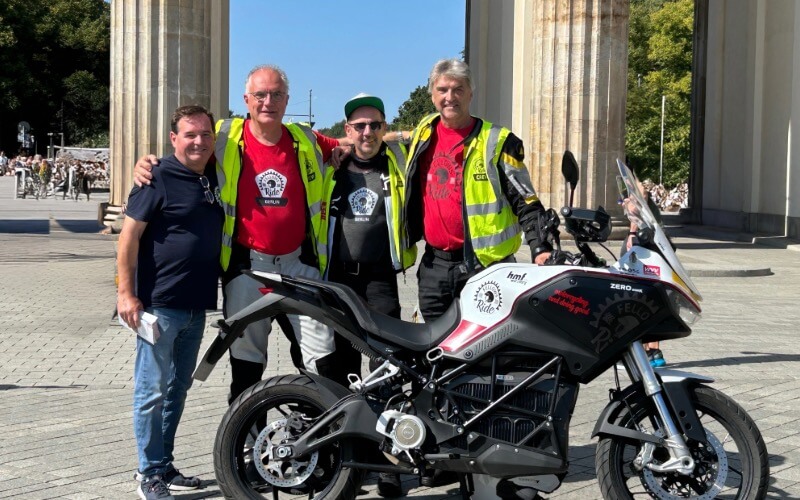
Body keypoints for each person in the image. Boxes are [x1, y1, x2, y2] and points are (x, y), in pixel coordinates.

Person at [134, 64, 346, 403]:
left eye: (276, 94)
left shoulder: (304, 137)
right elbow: (188, 148)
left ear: (287, 99)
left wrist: (370, 143)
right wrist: (147, 163)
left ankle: (325, 436)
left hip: (298, 265)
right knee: (247, 362)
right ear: (246, 99)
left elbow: (351, 144)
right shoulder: (224, 136)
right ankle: (244, 443)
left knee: (322, 356)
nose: (268, 102)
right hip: (248, 267)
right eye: (260, 95)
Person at [400, 58, 553, 487]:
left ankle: (487, 455)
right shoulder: (424, 135)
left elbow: (526, 199)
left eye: (457, 90)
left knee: (488, 364)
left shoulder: (496, 141)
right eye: (441, 90)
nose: (449, 97)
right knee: (431, 365)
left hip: (486, 272)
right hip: (434, 266)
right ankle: (434, 455)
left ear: (471, 93)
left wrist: (540, 248)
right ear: (432, 94)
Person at [117, 105, 223, 500]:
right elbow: (128, 237)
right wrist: (126, 295)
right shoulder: (156, 176)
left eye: (205, 134)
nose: (198, 141)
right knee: (151, 391)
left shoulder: (209, 174)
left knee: (177, 389)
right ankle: (147, 473)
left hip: (196, 307)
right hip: (160, 305)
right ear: (173, 139)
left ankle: (164, 465)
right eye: (190, 135)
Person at [321, 93, 416, 498]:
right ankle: (345, 458)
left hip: (380, 281)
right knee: (340, 369)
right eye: (359, 126)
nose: (367, 132)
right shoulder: (331, 168)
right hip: (339, 280)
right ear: (346, 131)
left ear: (384, 128)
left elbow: (430, 131)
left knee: (385, 369)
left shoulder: (397, 164)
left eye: (375, 125)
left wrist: (395, 134)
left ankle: (388, 461)